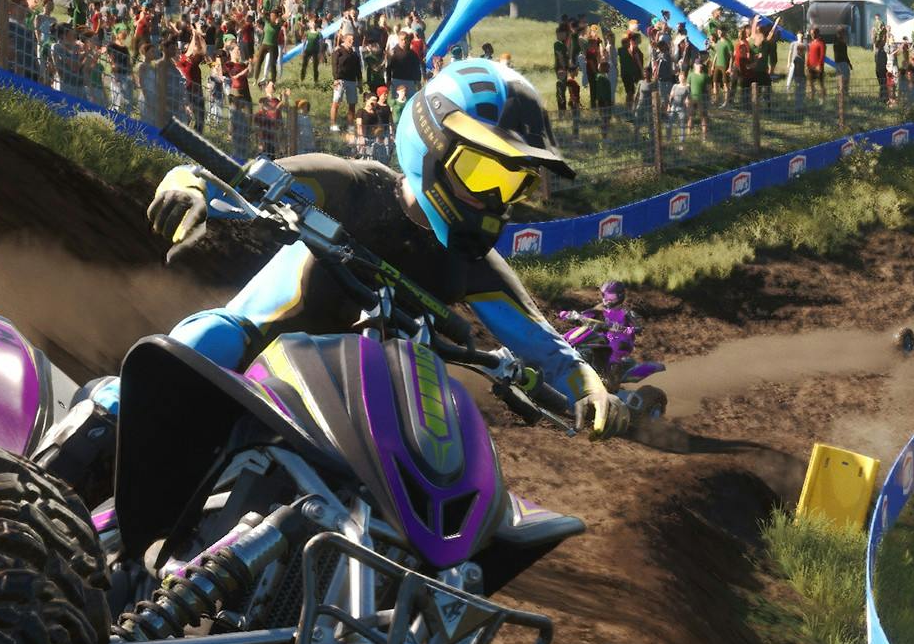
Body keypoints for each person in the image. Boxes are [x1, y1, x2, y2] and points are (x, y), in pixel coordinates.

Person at [127, 59, 620, 481]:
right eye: (481, 172)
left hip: (354, 409)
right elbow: (237, 179)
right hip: (254, 353)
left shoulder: (474, 266)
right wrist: (187, 185)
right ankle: (100, 426)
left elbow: (546, 347)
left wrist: (591, 389)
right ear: (432, 144)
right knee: (209, 340)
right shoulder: (355, 187)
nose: (493, 198)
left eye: (513, 184)